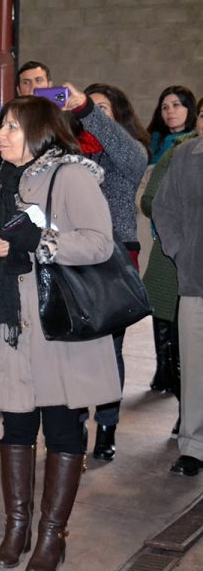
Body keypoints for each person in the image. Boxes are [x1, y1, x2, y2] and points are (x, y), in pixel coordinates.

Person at [0, 96, 120, 569]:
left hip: (58, 324)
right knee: (15, 424)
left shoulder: (71, 175)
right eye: (0, 126)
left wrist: (44, 242)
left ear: (38, 130)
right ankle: (17, 529)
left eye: (11, 127)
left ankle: (52, 535)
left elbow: (99, 242)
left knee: (63, 427)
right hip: (10, 325)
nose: (1, 135)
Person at [61, 82, 149, 462]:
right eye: (86, 107)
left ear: (116, 116)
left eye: (101, 109)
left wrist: (85, 109)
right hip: (73, 258)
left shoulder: (128, 155)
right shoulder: (67, 153)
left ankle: (108, 424)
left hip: (114, 261)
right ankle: (77, 419)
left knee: (110, 348)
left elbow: (132, 156)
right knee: (76, 346)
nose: (91, 113)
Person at [140, 93, 200, 439]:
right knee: (178, 336)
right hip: (177, 256)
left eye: (177, 105)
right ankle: (190, 431)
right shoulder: (176, 151)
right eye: (164, 105)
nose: (170, 111)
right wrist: (179, 246)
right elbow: (156, 202)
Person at [153, 135, 203, 477]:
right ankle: (193, 447)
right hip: (196, 280)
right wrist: (179, 250)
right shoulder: (186, 154)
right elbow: (162, 205)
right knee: (195, 370)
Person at [146, 85, 197, 163]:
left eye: (176, 105)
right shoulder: (150, 139)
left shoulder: (196, 142)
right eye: (165, 107)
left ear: (189, 109)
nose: (169, 111)